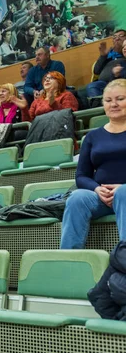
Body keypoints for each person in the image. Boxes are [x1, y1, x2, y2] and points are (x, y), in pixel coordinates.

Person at [61, 79, 126, 249]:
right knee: (76, 198)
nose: (114, 104)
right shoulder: (92, 136)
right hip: (102, 197)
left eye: (120, 99)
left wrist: (121, 188)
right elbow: (81, 175)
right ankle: (68, 260)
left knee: (124, 193)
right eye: (108, 100)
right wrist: (97, 189)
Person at [87, 31, 126, 98]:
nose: (117, 38)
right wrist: (103, 56)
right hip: (105, 84)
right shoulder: (108, 55)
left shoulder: (124, 56)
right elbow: (96, 71)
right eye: (114, 37)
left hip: (121, 83)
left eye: (121, 36)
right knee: (92, 86)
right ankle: (100, 107)